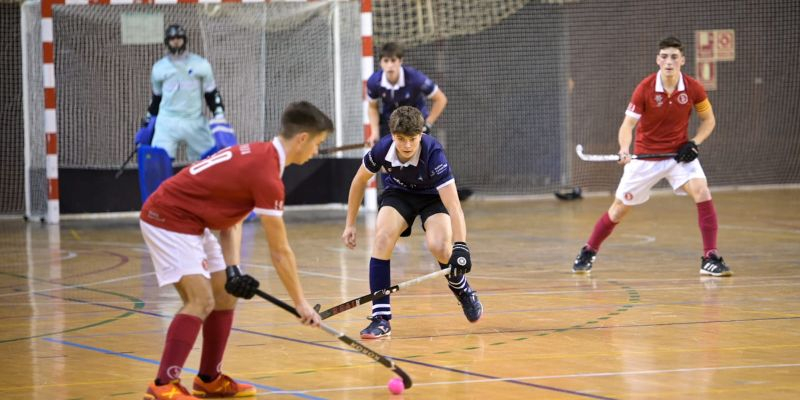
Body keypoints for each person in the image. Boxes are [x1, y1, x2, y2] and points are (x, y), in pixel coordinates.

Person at [140, 101, 329, 400]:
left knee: (225, 294)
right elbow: (280, 252)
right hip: (168, 218)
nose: (316, 151)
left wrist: (233, 269)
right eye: (318, 143)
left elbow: (231, 222)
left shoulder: (260, 156)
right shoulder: (267, 176)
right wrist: (301, 304)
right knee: (200, 299)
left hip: (193, 222)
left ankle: (209, 379)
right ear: (302, 138)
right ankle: (163, 384)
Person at [571, 36, 731, 277]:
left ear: (682, 60)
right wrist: (624, 149)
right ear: (658, 60)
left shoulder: (693, 88)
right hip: (645, 159)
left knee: (702, 191)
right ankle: (589, 250)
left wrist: (694, 143)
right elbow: (627, 125)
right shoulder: (645, 88)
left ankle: (710, 257)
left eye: (674, 57)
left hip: (678, 157)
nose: (669, 61)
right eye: (664, 56)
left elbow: (709, 120)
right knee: (618, 210)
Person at [342, 106, 482, 340]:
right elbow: (358, 182)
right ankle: (381, 317)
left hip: (432, 198)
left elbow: (454, 205)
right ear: (392, 135)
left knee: (439, 246)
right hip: (399, 194)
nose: (407, 145)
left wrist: (461, 246)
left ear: (421, 134)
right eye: (401, 139)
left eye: (413, 139)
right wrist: (350, 224)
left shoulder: (433, 153)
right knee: (382, 238)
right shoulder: (382, 149)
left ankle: (463, 289)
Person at [137, 24, 230, 163]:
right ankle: (162, 186)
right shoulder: (159, 68)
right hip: (167, 121)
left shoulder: (201, 64)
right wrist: (149, 117)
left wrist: (219, 115)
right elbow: (157, 97)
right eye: (172, 38)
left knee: (211, 160)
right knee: (157, 161)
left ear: (185, 40)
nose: (176, 41)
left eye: (179, 38)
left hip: (194, 120)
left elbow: (211, 93)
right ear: (167, 41)